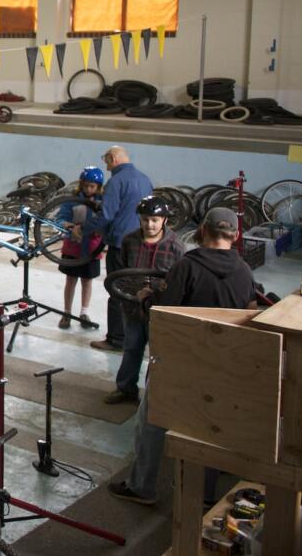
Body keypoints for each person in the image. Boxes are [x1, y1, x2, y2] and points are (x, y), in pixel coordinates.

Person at [108, 208, 258, 506]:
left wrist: (146, 297)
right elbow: (250, 312)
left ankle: (142, 487)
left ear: (202, 230)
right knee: (208, 429)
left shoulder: (187, 267)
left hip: (179, 363)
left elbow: (162, 312)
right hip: (222, 367)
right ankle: (202, 496)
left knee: (151, 423)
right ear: (236, 236)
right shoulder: (244, 272)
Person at [104, 196, 186, 405]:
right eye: (145, 219)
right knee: (131, 347)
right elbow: (122, 273)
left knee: (158, 354)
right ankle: (126, 389)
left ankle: (155, 395)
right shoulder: (129, 241)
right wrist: (125, 296)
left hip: (159, 310)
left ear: (164, 220)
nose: (150, 224)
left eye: (155, 220)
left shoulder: (176, 246)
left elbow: (179, 281)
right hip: (132, 307)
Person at [81, 145, 154, 352]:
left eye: (107, 162)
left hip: (119, 244)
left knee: (116, 292)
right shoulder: (145, 179)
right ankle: (136, 336)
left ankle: (116, 339)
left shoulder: (116, 181)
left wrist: (83, 229)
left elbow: (106, 215)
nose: (107, 167)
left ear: (113, 158)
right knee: (136, 291)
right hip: (140, 244)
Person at [55, 167, 105, 329]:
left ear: (98, 186)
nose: (89, 189)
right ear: (81, 184)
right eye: (86, 185)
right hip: (72, 247)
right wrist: (67, 225)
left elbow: (105, 222)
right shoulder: (72, 200)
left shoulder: (102, 203)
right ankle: (66, 313)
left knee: (87, 281)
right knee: (70, 280)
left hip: (92, 249)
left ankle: (84, 312)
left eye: (93, 186)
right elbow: (60, 218)